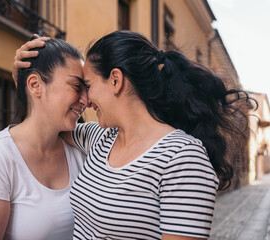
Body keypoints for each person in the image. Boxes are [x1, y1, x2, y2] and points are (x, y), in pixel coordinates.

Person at [13, 31, 252, 240]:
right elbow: (49, 120)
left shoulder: (183, 158)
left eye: (88, 85)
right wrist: (27, 82)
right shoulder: (100, 139)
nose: (84, 100)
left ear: (115, 80)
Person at [0, 37, 88, 240]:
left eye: (87, 88)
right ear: (35, 85)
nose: (86, 100)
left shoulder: (83, 150)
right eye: (77, 86)